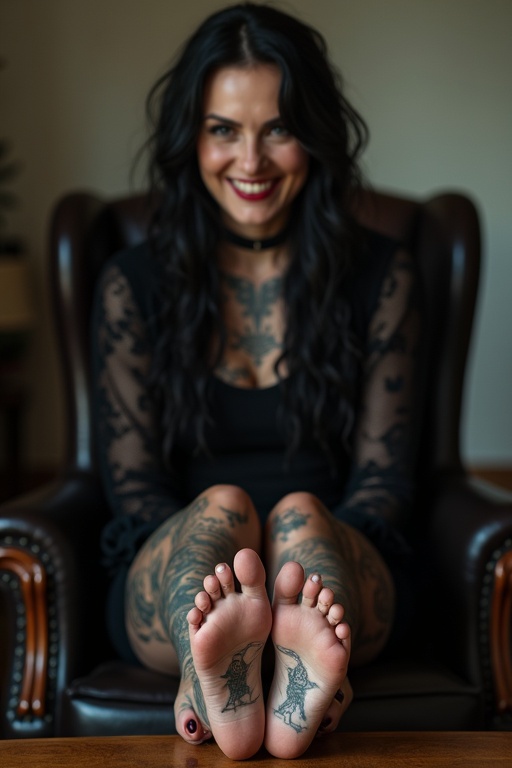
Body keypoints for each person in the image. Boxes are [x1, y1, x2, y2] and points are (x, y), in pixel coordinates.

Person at [92, 2, 421, 760]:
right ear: (191, 138)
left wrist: (287, 573)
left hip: (335, 554)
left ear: (315, 133)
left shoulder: (382, 276)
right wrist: (225, 563)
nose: (251, 161)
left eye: (277, 127)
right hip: (178, 560)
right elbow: (135, 493)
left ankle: (296, 666)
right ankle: (208, 658)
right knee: (224, 509)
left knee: (301, 515)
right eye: (223, 130)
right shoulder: (130, 285)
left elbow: (381, 489)